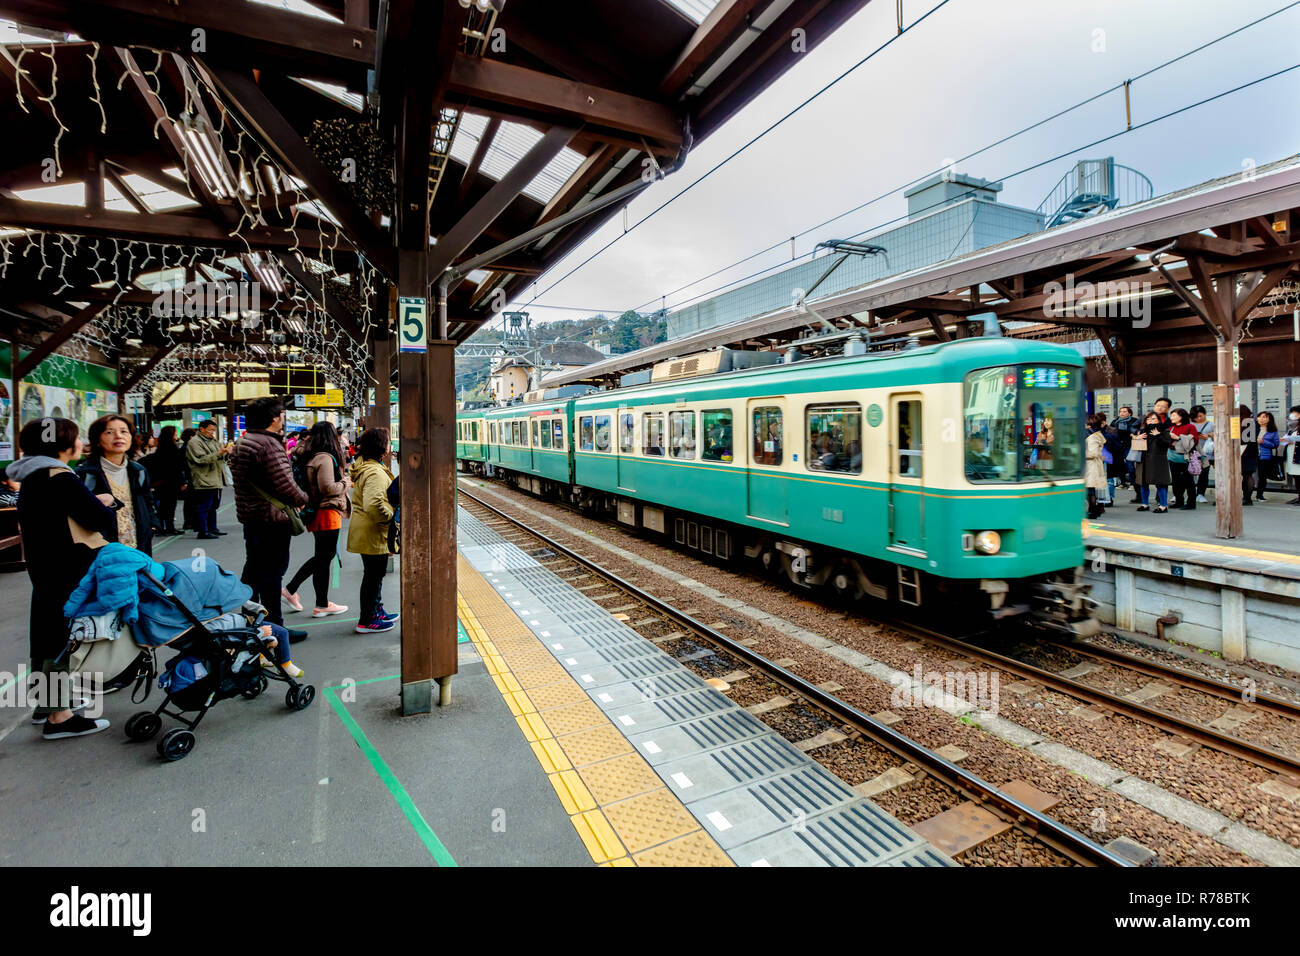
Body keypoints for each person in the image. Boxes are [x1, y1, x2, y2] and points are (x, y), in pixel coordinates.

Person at [9, 418, 116, 738]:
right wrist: (103, 503)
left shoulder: (30, 475)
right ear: (63, 445)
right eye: (76, 437)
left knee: (45, 633)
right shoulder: (59, 476)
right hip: (69, 566)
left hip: (43, 565)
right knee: (60, 637)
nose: (80, 441)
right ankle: (60, 717)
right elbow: (98, 519)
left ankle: (47, 703)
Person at [229, 396, 309, 631]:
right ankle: (274, 627)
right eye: (281, 415)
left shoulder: (245, 442)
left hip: (251, 517)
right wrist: (302, 499)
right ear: (274, 419)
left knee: (253, 570)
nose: (283, 419)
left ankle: (251, 622)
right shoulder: (268, 444)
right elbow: (284, 482)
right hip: (271, 519)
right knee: (272, 574)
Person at [282, 421, 351, 618]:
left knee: (323, 557)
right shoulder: (325, 458)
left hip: (316, 510)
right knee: (324, 557)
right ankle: (294, 589)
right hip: (326, 510)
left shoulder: (307, 454)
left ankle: (320, 602)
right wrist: (346, 482)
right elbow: (328, 488)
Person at [75, 414, 156, 555]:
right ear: (97, 440)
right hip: (102, 552)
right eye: (109, 432)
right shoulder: (85, 473)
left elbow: (148, 502)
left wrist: (152, 526)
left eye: (124, 431)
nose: (118, 436)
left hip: (138, 547)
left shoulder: (139, 471)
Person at [348, 427, 397, 634]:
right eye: (387, 442)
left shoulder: (366, 466)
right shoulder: (375, 472)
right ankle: (367, 619)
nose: (390, 446)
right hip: (373, 529)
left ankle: (376, 611)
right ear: (381, 446)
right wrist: (391, 517)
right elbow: (374, 504)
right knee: (373, 576)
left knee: (374, 575)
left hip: (366, 528)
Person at [186, 420, 231, 539]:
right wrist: (219, 453)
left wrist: (226, 452)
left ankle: (212, 528)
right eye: (210, 430)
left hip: (216, 478)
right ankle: (203, 531)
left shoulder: (213, 441)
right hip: (204, 479)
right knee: (204, 506)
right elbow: (200, 459)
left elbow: (220, 456)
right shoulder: (194, 442)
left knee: (213, 506)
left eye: (213, 430)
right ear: (201, 429)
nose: (212, 433)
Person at [145, 425, 185, 535]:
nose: (177, 436)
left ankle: (160, 527)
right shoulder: (173, 449)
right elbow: (177, 468)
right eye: (175, 434)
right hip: (172, 482)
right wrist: (182, 482)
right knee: (170, 506)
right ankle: (170, 527)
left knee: (161, 506)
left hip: (160, 483)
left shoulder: (160, 449)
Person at [1133, 411, 1172, 513]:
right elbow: (1135, 447)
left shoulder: (1164, 431)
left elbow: (1167, 444)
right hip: (1143, 461)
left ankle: (1163, 506)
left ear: (1159, 420)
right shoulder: (1142, 432)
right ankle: (1145, 504)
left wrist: (1158, 436)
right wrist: (1138, 438)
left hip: (1157, 461)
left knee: (1160, 484)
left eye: (1154, 419)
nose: (1151, 421)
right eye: (1148, 419)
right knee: (1143, 483)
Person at [1167, 408, 1199, 510]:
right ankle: (1179, 501)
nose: (1172, 417)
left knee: (1188, 481)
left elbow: (1194, 441)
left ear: (1181, 416)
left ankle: (1191, 503)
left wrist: (1177, 438)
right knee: (1176, 481)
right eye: (1171, 415)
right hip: (1173, 457)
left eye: (1174, 415)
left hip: (1186, 457)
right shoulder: (1171, 428)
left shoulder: (1190, 427)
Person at [1084, 413, 1107, 519]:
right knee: (1091, 489)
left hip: (1091, 466)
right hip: (1093, 465)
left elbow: (1093, 453)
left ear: (1089, 425)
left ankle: (1093, 511)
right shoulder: (1095, 435)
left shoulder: (1092, 437)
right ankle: (1094, 510)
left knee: (1090, 490)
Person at [1191, 406, 1214, 504]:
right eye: (1196, 417)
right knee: (1188, 473)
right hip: (1192, 451)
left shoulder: (1211, 424)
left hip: (1206, 452)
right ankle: (1187, 493)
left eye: (1201, 416)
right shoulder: (1190, 424)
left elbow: (1219, 435)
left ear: (1205, 413)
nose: (1199, 418)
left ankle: (1200, 494)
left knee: (1204, 473)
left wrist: (1209, 436)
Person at [1255, 411, 1280, 501]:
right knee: (1247, 475)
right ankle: (1246, 494)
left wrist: (1264, 442)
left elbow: (1275, 444)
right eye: (1260, 416)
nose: (1261, 418)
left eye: (1264, 417)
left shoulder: (1272, 431)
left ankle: (1259, 495)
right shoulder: (1252, 428)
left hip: (1264, 456)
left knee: (1262, 477)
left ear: (1269, 420)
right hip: (1251, 455)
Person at [1113, 406, 1140, 490]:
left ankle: (1133, 483)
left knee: (1130, 464)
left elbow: (1136, 431)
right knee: (1120, 464)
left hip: (1129, 445)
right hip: (1118, 445)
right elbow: (1111, 431)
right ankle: (1123, 482)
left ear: (1129, 413)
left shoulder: (1134, 421)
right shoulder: (1115, 421)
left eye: (1124, 411)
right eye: (1120, 411)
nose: (1122, 413)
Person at [179, 427, 198, 531]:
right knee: (190, 501)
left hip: (189, 477)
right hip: (189, 478)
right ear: (191, 437)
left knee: (190, 501)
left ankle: (190, 522)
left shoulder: (186, 447)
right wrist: (184, 481)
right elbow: (184, 466)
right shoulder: (187, 448)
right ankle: (189, 522)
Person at [1239, 405, 1259, 506]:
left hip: (1247, 452)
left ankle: (1247, 498)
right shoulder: (1252, 422)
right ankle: (1246, 498)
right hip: (1248, 452)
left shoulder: (1250, 423)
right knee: (1246, 475)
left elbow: (1247, 439)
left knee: (1247, 475)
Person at [1280, 405, 1300, 505]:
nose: (1292, 415)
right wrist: (1285, 440)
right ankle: (1298, 497)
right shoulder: (1292, 428)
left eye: (1295, 413)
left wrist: (1291, 439)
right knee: (1296, 478)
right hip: (1292, 457)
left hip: (1298, 457)